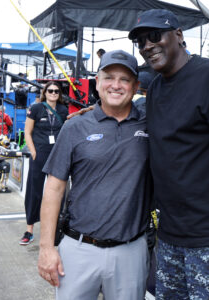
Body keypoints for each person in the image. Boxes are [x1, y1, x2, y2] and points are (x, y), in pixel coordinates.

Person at [128, 9, 209, 299]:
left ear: (178, 35)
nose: (147, 46)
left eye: (153, 35)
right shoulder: (157, 89)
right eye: (140, 41)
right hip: (172, 239)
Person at [38, 50, 151, 300]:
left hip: (131, 251)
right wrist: (46, 247)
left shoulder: (151, 125)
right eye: (109, 77)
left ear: (136, 86)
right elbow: (54, 189)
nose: (116, 85)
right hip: (78, 250)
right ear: (97, 82)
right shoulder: (74, 126)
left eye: (125, 79)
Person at [21, 81, 68, 245]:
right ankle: (29, 230)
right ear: (45, 92)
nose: (54, 93)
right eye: (50, 91)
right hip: (39, 152)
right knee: (34, 190)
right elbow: (27, 131)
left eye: (56, 91)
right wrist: (33, 151)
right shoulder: (36, 108)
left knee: (57, 193)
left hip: (57, 154)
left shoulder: (63, 109)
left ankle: (55, 230)